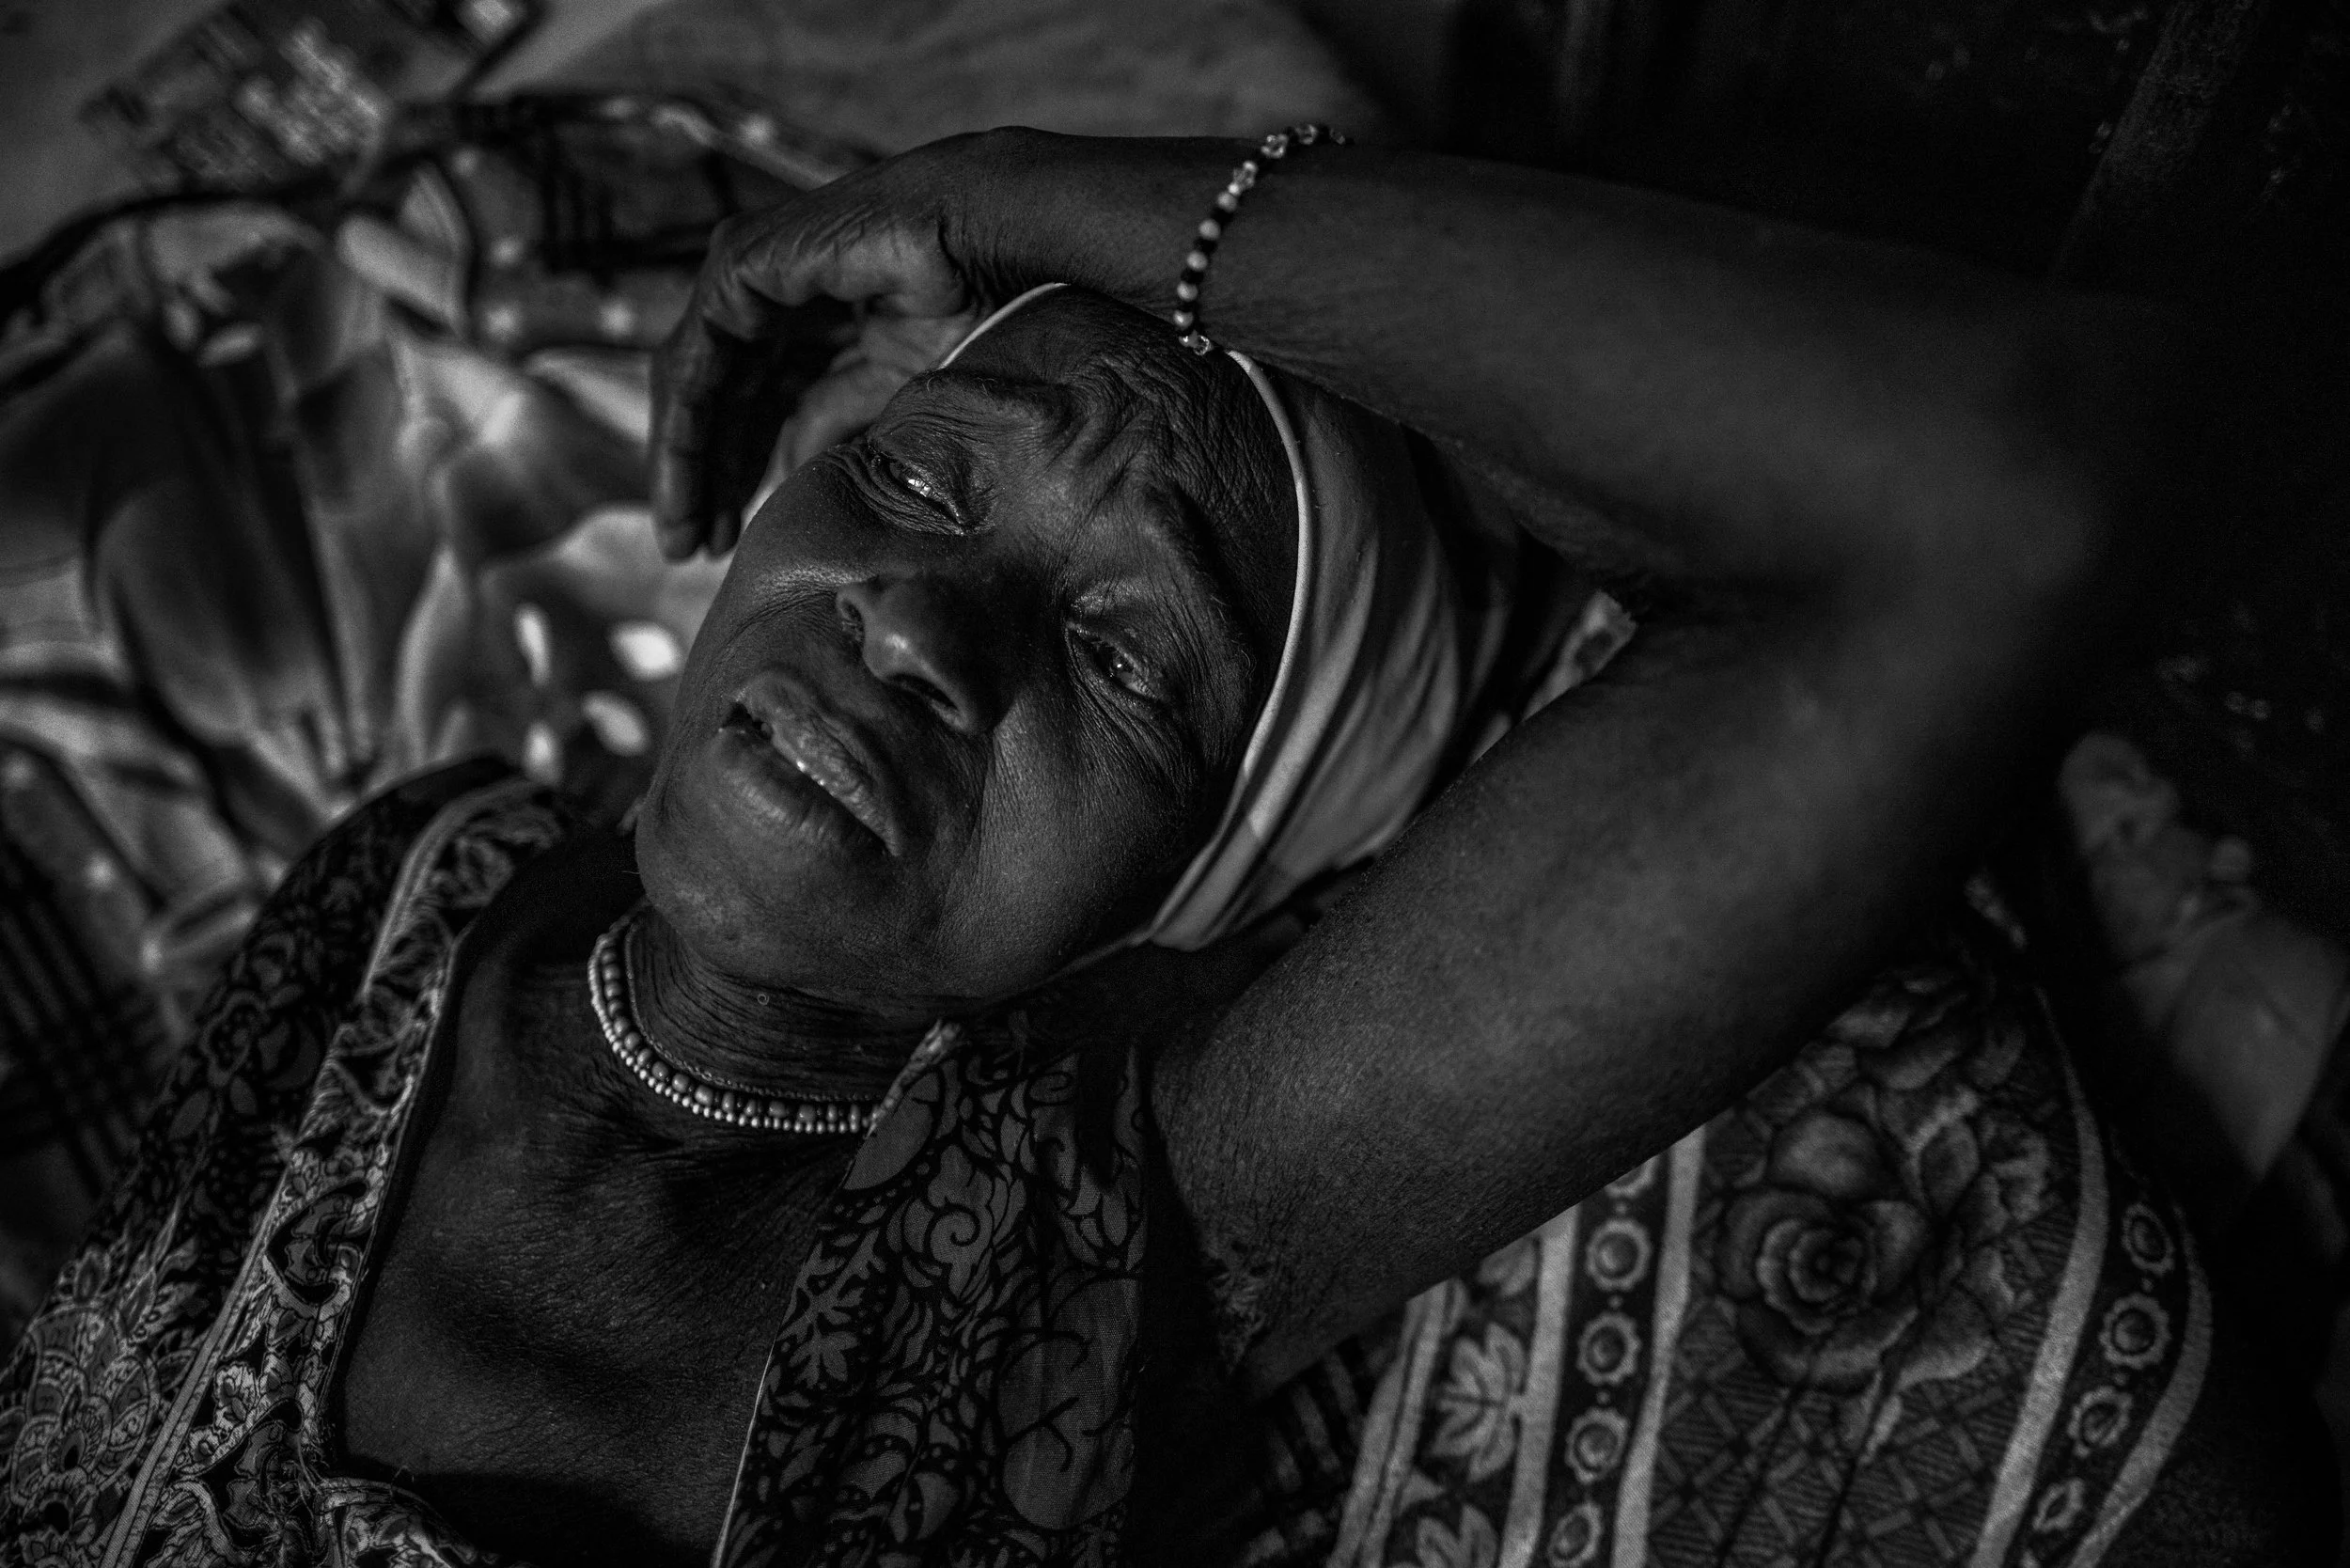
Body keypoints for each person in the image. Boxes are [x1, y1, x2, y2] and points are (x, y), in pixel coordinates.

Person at [0, 129, 2330, 1567]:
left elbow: (2006, 488)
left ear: (1182, 900)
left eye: (1124, 665)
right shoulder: (419, 864)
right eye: (915, 481)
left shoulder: (1110, 1228)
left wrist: (1022, 190)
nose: (915, 627)